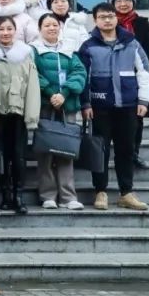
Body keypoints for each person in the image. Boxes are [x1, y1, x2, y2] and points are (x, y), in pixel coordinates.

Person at [80, 2, 149, 211]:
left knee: (126, 150)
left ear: (116, 18)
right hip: (99, 107)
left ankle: (126, 193)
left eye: (110, 16)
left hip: (128, 105)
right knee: (100, 151)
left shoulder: (131, 42)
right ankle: (100, 191)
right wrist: (85, 103)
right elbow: (83, 77)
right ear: (95, 20)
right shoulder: (88, 46)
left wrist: (144, 100)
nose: (107, 20)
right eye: (102, 17)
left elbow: (144, 72)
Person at [31, 14, 87, 211]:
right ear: (40, 29)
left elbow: (79, 73)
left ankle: (68, 197)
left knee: (66, 151)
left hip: (67, 106)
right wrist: (50, 93)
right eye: (47, 25)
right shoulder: (34, 50)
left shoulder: (69, 49)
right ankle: (47, 195)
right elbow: (33, 73)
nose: (52, 28)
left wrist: (64, 94)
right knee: (45, 152)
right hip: (44, 106)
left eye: (55, 24)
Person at [0, 17, 42, 214]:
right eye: (1, 29)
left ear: (15, 31)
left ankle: (18, 195)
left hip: (17, 113)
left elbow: (33, 87)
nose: (5, 32)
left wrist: (31, 116)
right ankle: (5, 194)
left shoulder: (25, 55)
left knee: (18, 156)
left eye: (9, 28)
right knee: (0, 156)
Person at [111, 0, 149, 169]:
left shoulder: (142, 23)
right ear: (113, 4)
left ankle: (134, 153)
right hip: (115, 74)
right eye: (119, 1)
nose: (123, 4)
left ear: (133, 3)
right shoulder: (109, 21)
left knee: (137, 118)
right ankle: (119, 151)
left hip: (138, 74)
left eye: (127, 0)